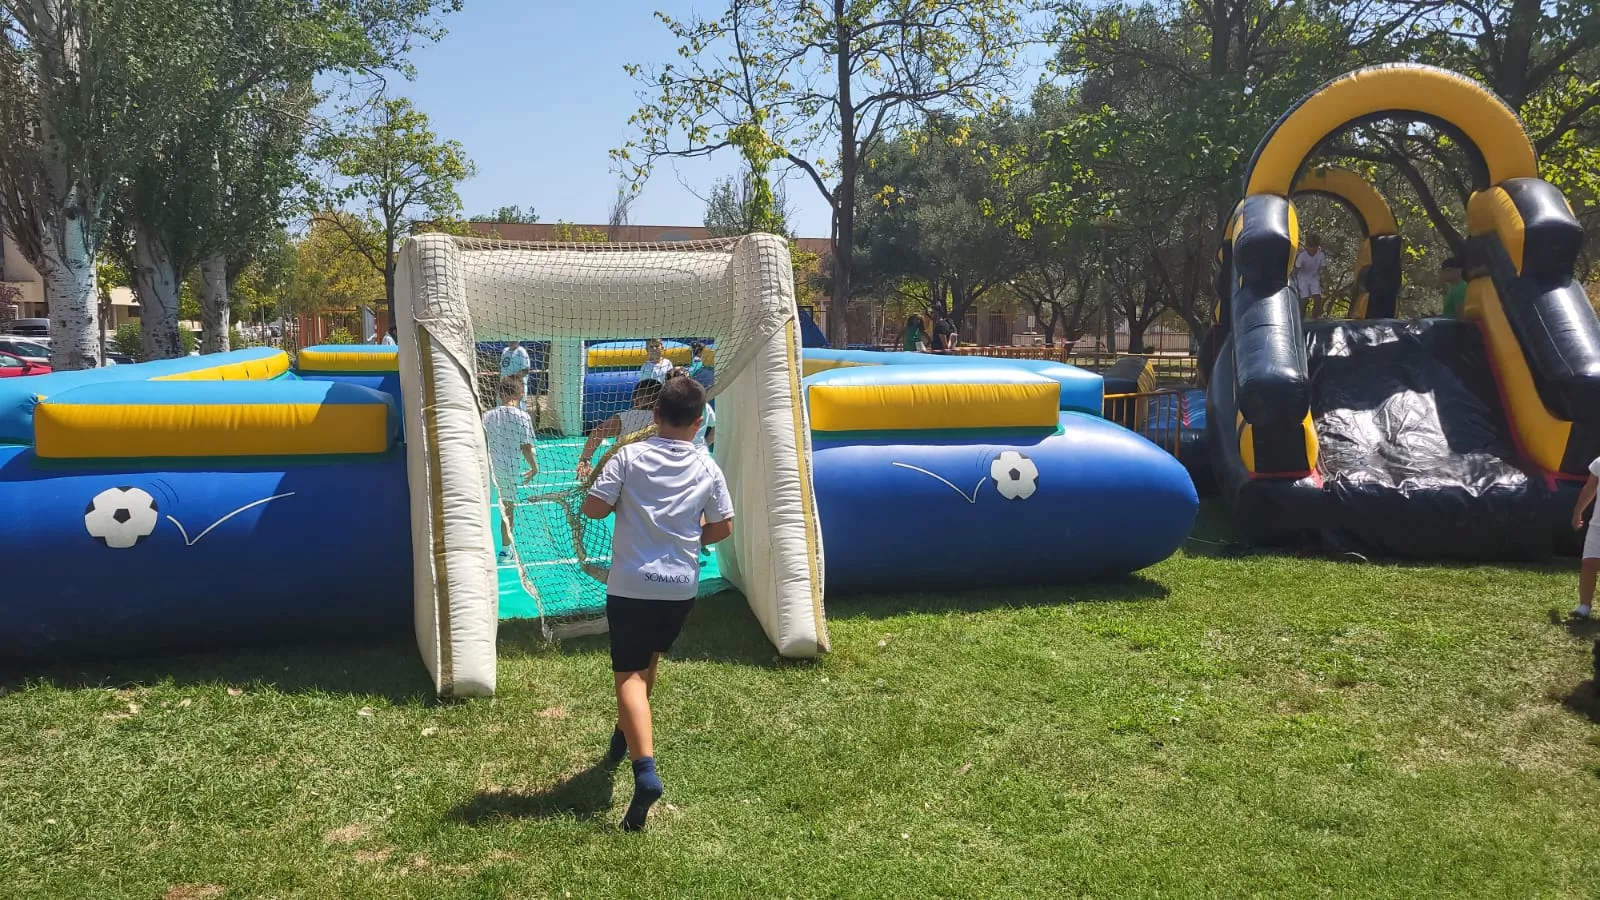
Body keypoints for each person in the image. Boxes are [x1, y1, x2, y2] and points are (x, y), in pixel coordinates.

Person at [582, 375, 734, 831]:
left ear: (653, 416)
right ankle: (623, 734)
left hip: (631, 585)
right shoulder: (707, 465)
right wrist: (689, 536)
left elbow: (593, 507)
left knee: (628, 674)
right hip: (679, 589)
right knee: (648, 661)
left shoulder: (629, 455)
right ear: (697, 423)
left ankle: (645, 771)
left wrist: (607, 488)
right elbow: (723, 526)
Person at [482, 377, 538, 565]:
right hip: (510, 467)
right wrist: (534, 467)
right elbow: (526, 446)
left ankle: (480, 550)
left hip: (487, 466)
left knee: (482, 509)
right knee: (507, 510)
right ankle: (505, 551)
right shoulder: (522, 417)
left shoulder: (487, 416)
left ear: (499, 393)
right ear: (520, 394)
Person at [576, 378, 662, 482]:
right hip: (656, 472)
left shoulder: (627, 417)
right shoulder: (667, 420)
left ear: (636, 401)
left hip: (627, 472)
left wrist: (584, 459)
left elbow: (599, 431)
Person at [1571, 457, 1600, 618]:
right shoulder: (1599, 463)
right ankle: (1584, 606)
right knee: (1589, 563)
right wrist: (1578, 512)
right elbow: (1589, 488)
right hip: (1598, 524)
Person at [666, 368, 715, 454]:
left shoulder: (665, 407)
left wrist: (704, 444)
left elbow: (715, 427)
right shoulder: (703, 405)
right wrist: (705, 444)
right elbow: (715, 426)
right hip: (696, 452)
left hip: (678, 452)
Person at [1295, 233, 1328, 320]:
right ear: (1307, 246)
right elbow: (1296, 269)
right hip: (1302, 279)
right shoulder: (1302, 256)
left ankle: (1314, 319)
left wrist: (1326, 282)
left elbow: (1324, 269)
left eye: (1315, 246)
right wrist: (1295, 283)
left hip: (1314, 278)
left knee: (1318, 299)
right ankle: (1301, 320)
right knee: (1305, 300)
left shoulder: (1320, 255)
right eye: (1311, 246)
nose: (1313, 249)